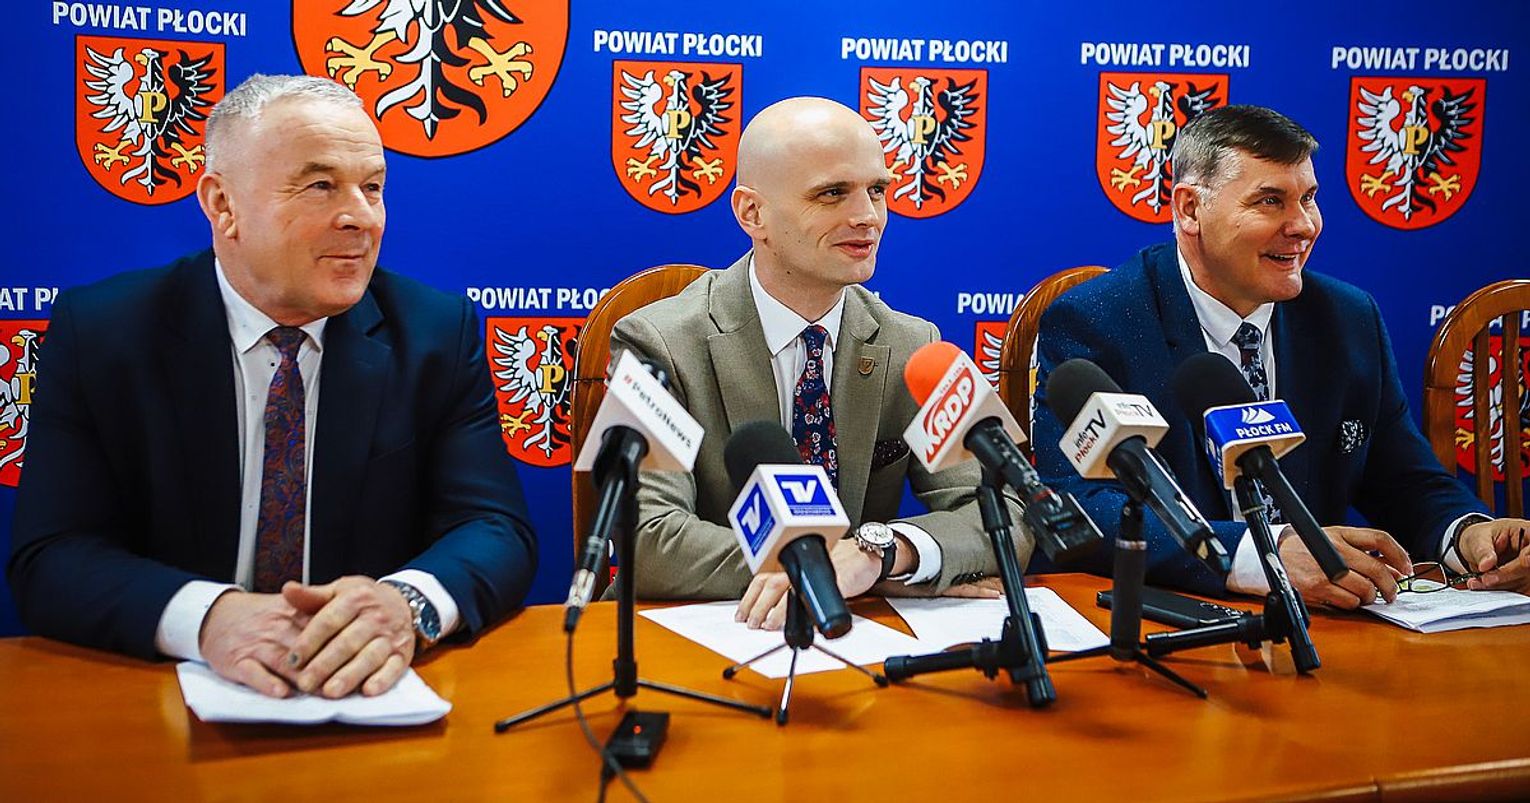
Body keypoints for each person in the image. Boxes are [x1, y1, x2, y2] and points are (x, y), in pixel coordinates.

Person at [9, 74, 537, 698]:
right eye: (320, 186)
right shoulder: (105, 334)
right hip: (162, 698)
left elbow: (495, 528)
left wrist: (404, 604)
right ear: (222, 205)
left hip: (366, 698)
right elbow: (53, 554)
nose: (361, 218)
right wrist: (209, 618)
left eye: (372, 187)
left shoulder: (434, 333)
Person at [1032, 104, 1528, 608]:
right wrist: (1261, 556)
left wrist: (1469, 534)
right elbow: (1078, 504)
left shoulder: (1348, 319)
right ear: (1189, 209)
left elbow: (1403, 478)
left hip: (1324, 629)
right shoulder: (1100, 321)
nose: (1303, 226)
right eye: (1270, 201)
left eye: (1308, 198)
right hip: (1171, 620)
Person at [611, 97, 1023, 629]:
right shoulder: (654, 343)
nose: (868, 216)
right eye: (832, 193)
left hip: (850, 637)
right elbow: (644, 536)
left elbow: (1013, 507)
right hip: (704, 632)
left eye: (878, 190)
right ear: (752, 214)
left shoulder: (916, 345)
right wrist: (818, 569)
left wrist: (882, 554)